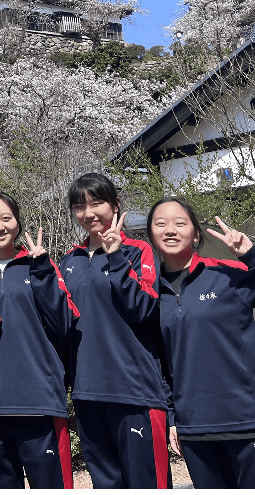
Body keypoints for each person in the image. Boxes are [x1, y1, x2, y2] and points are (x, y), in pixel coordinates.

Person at [148, 197, 255, 489]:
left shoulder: (226, 273)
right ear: (151, 235)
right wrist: (172, 418)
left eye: (180, 223)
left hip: (250, 421)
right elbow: (159, 363)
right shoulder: (149, 294)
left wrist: (253, 257)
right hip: (195, 428)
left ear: (195, 234)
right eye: (160, 224)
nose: (170, 230)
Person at [58, 173, 171, 488]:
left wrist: (116, 256)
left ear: (116, 204)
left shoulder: (138, 251)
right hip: (87, 393)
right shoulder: (69, 261)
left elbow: (145, 309)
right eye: (79, 206)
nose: (88, 213)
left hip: (135, 390)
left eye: (96, 203)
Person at [0, 191, 79, 489]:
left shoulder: (40, 264)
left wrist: (43, 270)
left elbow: (63, 323)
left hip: (41, 402)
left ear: (18, 222)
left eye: (6, 218)